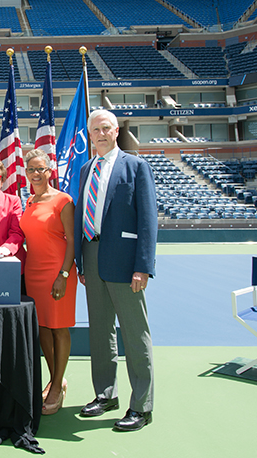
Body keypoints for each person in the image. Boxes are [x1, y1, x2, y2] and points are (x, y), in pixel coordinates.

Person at [74, 109, 157, 432]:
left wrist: (143, 267)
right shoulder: (86, 169)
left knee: (135, 334)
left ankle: (142, 405)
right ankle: (105, 394)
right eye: (96, 129)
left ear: (116, 130)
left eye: (106, 128)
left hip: (126, 264)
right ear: (90, 134)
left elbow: (148, 221)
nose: (101, 133)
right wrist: (82, 262)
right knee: (100, 331)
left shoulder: (136, 167)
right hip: (92, 259)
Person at [19, 148, 76, 416]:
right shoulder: (29, 201)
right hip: (33, 272)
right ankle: (56, 379)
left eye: (40, 169)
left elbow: (73, 242)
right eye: (31, 169)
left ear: (50, 171)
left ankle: (55, 387)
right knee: (42, 329)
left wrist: (63, 275)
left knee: (58, 328)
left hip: (57, 272)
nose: (36, 174)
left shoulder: (63, 200)